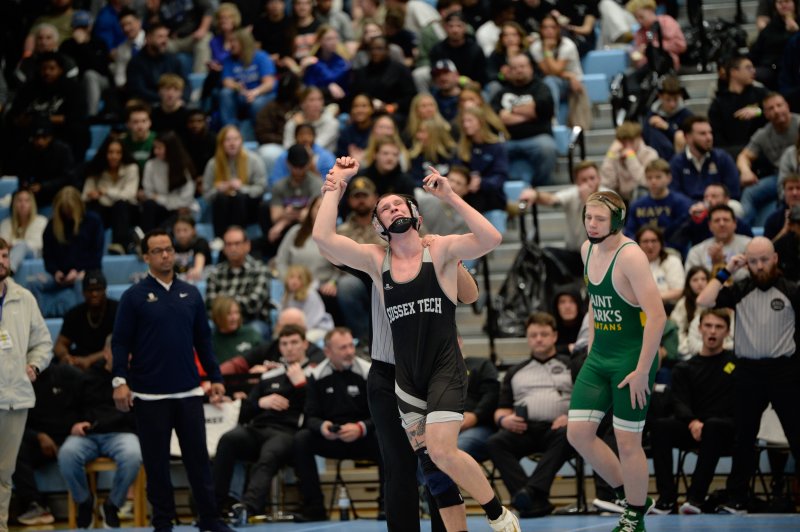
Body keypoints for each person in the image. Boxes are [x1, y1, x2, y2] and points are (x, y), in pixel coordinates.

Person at [312, 158, 518, 531]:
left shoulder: (439, 249)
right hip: (399, 373)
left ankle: (497, 513)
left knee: (442, 453)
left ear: (416, 216)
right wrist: (335, 185)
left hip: (441, 365)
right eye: (385, 207)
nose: (393, 208)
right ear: (378, 226)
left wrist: (450, 196)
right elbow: (323, 238)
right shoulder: (375, 260)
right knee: (424, 468)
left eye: (399, 204)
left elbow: (489, 243)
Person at [111, 229, 233, 532]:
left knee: (198, 461)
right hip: (149, 395)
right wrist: (119, 380)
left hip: (189, 391)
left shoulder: (191, 293)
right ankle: (163, 523)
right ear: (146, 257)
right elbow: (120, 343)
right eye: (157, 250)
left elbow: (203, 341)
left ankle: (209, 519)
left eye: (169, 249)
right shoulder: (133, 297)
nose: (165, 255)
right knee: (157, 466)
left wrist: (215, 377)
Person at [566, 190, 667, 532]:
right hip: (600, 356)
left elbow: (657, 316)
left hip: (631, 359)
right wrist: (592, 348)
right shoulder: (587, 249)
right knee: (578, 434)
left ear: (618, 221)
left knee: (627, 441)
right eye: (588, 217)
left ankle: (634, 517)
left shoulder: (631, 256)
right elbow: (595, 303)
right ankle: (631, 495)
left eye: (600, 219)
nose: (592, 224)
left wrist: (642, 371)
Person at [696, 236, 800, 514]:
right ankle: (737, 498)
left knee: (796, 434)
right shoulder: (740, 289)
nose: (759, 266)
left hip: (784, 372)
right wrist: (727, 270)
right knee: (744, 437)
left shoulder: (791, 290)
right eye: (753, 261)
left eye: (764, 260)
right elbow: (704, 300)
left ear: (775, 258)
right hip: (748, 372)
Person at [212, 324, 313, 523]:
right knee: (228, 440)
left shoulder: (313, 373)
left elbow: (314, 410)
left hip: (287, 432)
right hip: (258, 429)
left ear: (305, 345)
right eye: (284, 344)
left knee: (270, 453)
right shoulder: (268, 375)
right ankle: (213, 508)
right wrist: (260, 402)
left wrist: (301, 385)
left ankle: (247, 508)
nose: (289, 348)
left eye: (294, 342)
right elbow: (243, 413)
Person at [289, 327, 383, 522]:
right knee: (301, 439)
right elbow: (310, 416)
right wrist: (322, 427)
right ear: (328, 352)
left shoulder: (368, 372)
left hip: (363, 436)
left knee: (386, 439)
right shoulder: (316, 375)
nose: (349, 352)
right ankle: (314, 509)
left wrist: (361, 428)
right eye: (343, 348)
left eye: (351, 346)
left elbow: (382, 415)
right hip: (332, 437)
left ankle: (388, 505)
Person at [487, 312, 576, 518]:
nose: (538, 339)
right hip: (524, 429)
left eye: (544, 334)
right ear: (527, 338)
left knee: (569, 434)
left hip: (558, 429)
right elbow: (501, 409)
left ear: (554, 336)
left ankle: (529, 494)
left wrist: (571, 417)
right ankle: (534, 499)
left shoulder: (571, 366)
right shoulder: (516, 371)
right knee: (495, 443)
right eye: (533, 335)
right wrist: (504, 420)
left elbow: (587, 400)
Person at [648, 309, 736, 515]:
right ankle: (667, 500)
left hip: (725, 429)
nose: (712, 331)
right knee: (660, 427)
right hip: (694, 427)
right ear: (699, 328)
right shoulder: (684, 368)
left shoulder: (735, 363)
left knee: (713, 426)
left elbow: (735, 402)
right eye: (708, 326)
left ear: (727, 332)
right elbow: (679, 401)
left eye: (719, 327)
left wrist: (704, 424)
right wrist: (692, 422)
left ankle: (695, 498)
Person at [57, 335, 142, 528]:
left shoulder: (137, 379)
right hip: (88, 435)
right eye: (118, 351)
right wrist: (75, 424)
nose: (124, 356)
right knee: (67, 454)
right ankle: (85, 501)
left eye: (127, 352)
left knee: (133, 454)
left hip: (122, 434)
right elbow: (70, 409)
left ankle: (112, 505)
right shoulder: (86, 377)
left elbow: (142, 415)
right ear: (106, 353)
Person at [0, 238, 53, 532]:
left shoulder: (24, 298)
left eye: (4, 256)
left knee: (4, 473)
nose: (1, 262)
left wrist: (34, 364)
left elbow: (43, 342)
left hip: (14, 398)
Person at [519, 160, 606, 278]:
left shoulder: (609, 197)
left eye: (592, 178)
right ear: (577, 183)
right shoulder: (574, 194)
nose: (589, 183)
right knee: (545, 255)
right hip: (575, 254)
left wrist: (588, 202)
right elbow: (552, 200)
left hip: (602, 255)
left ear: (599, 179)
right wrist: (536, 195)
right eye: (584, 180)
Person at [35, 187, 105, 318]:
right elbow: (48, 257)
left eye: (70, 210)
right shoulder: (52, 226)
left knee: (81, 282)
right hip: (60, 275)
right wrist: (56, 272)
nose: (67, 214)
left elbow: (96, 256)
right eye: (64, 210)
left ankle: (82, 320)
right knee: (34, 283)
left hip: (87, 271)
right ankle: (40, 318)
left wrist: (78, 270)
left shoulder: (93, 221)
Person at [491, 53, 558, 186]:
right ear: (509, 71)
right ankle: (502, 187)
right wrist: (529, 113)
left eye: (522, 66)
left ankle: (538, 187)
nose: (519, 70)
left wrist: (511, 111)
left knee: (547, 148)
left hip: (537, 138)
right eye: (514, 68)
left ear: (530, 68)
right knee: (492, 150)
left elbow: (544, 109)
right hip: (507, 140)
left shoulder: (541, 88)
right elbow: (495, 117)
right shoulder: (502, 92)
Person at [736, 92, 800, 226]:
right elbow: (744, 156)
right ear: (765, 114)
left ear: (787, 106)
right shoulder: (763, 134)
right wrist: (746, 171)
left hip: (797, 173)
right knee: (750, 193)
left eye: (779, 105)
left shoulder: (798, 123)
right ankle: (745, 230)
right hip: (779, 177)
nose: (776, 110)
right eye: (771, 108)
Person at [205, 226, 273, 337]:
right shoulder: (215, 273)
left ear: (247, 245)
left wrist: (223, 303)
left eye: (237, 243)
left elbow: (253, 304)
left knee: (254, 331)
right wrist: (235, 302)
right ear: (224, 248)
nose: (233, 248)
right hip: (222, 322)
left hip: (252, 321)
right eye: (229, 244)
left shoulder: (260, 270)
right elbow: (210, 303)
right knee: (205, 328)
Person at [202, 125, 266, 239]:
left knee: (239, 197)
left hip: (248, 206)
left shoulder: (254, 160)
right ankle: (220, 239)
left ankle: (239, 237)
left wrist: (242, 188)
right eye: (228, 140)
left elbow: (261, 188)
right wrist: (219, 189)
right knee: (221, 197)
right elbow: (206, 195)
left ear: (241, 141)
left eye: (236, 139)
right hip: (222, 207)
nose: (232, 143)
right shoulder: (213, 164)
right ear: (221, 143)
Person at [82, 137, 140, 255]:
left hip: (126, 211)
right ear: (105, 153)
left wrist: (106, 192)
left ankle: (119, 246)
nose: (114, 156)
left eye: (118, 152)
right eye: (110, 152)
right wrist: (92, 195)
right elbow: (85, 195)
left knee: (120, 205)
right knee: (93, 209)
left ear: (123, 154)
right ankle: (90, 247)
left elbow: (129, 195)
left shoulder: (131, 168)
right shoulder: (96, 167)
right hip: (103, 210)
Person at [53, 271, 118, 370]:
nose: (94, 294)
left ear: (105, 290)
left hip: (105, 359)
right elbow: (60, 344)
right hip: (79, 360)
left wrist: (89, 360)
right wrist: (66, 356)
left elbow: (121, 346)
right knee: (55, 363)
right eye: (90, 290)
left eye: (98, 289)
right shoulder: (74, 313)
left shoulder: (118, 310)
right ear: (83, 292)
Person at [669, 116, 741, 203]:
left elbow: (733, 192)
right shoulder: (677, 162)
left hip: (719, 206)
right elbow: (674, 194)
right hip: (689, 208)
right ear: (688, 137)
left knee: (735, 205)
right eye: (703, 134)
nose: (709, 138)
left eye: (710, 133)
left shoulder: (722, 158)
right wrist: (693, 205)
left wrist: (711, 204)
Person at [709, 56, 769, 158]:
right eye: (748, 68)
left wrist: (759, 111)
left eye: (753, 67)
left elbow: (778, 111)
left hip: (760, 151)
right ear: (734, 72)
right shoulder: (719, 103)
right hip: (730, 153)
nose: (753, 71)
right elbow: (717, 136)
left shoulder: (761, 93)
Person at [624, 158, 692, 245]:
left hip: (672, 249)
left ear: (669, 178)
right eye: (649, 178)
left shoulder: (682, 203)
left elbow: (681, 234)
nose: (653, 181)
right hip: (642, 248)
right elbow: (630, 232)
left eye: (658, 177)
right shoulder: (637, 205)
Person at [219, 29, 277, 129]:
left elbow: (269, 83)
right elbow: (226, 81)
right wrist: (237, 87)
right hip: (242, 94)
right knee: (225, 93)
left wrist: (255, 92)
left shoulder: (261, 57)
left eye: (233, 41)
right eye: (229, 41)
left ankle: (257, 131)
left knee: (257, 103)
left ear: (244, 42)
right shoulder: (229, 60)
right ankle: (230, 129)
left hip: (262, 94)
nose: (230, 45)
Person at [685, 205, 752, 282]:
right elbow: (693, 282)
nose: (722, 224)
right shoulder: (697, 252)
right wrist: (716, 266)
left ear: (734, 223)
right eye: (717, 220)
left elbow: (753, 277)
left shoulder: (750, 246)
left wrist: (721, 265)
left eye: (726, 220)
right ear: (710, 226)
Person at [600, 121, 660, 202]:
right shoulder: (615, 154)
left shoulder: (650, 154)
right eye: (623, 142)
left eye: (631, 141)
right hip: (620, 198)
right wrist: (610, 156)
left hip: (641, 198)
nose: (627, 145)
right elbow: (607, 183)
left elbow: (646, 182)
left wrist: (631, 158)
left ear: (639, 138)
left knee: (641, 192)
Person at [641, 75, 692, 161]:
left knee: (680, 136)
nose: (672, 104)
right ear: (660, 96)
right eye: (668, 100)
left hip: (678, 158)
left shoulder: (686, 114)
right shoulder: (652, 114)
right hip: (655, 158)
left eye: (675, 99)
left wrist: (668, 128)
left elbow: (691, 138)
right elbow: (645, 138)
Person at [281, 265, 334, 344]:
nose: (294, 281)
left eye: (299, 278)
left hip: (318, 328)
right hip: (298, 330)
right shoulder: (287, 296)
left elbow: (312, 319)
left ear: (305, 280)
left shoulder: (310, 294)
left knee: (305, 339)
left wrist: (298, 333)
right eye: (291, 277)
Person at [0, 189, 47, 274]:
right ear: (14, 204)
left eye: (27, 201)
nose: (23, 204)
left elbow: (37, 244)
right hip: (10, 254)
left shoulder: (41, 221)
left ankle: (8, 272)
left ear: (32, 204)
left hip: (34, 255)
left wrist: (13, 244)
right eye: (19, 200)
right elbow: (3, 245)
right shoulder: (6, 223)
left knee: (22, 245)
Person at [636, 226, 685, 307]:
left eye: (654, 241)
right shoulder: (631, 264)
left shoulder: (672, 261)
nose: (650, 246)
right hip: (636, 308)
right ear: (638, 244)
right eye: (645, 241)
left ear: (661, 243)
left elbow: (679, 291)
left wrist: (650, 298)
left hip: (668, 307)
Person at [210, 296, 264, 365]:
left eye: (236, 312)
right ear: (218, 317)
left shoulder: (250, 333)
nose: (234, 318)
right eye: (229, 314)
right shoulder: (212, 341)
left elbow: (263, 357)